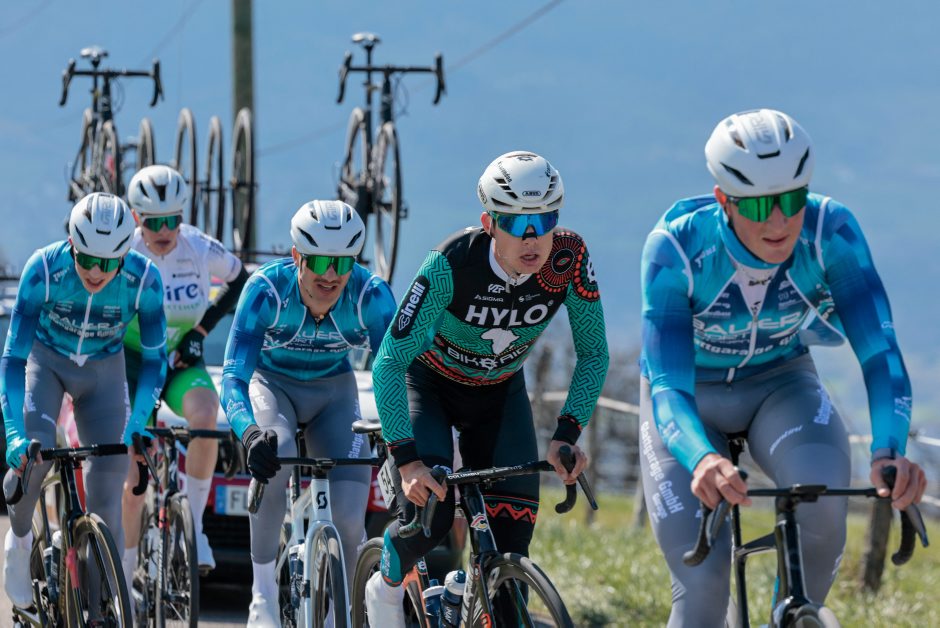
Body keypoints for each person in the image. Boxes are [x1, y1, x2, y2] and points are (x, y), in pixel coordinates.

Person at [639, 108, 928, 626]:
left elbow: (879, 352)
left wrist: (890, 449)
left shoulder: (830, 232)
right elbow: (667, 387)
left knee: (822, 518)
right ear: (723, 199)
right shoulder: (677, 248)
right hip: (689, 401)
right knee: (703, 585)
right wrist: (700, 457)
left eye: (792, 200)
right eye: (757, 205)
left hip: (781, 385)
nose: (778, 222)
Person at [365, 151, 609, 626]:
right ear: (489, 224)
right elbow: (390, 360)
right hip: (429, 387)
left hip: (498, 393)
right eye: (516, 223)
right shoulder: (451, 263)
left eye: (546, 219)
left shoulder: (569, 259)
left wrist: (566, 433)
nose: (533, 237)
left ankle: (473, 597)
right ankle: (386, 587)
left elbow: (594, 354)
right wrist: (408, 461)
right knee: (431, 520)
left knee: (511, 547)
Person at [221, 200, 397, 627]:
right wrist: (249, 433)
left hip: (333, 393)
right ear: (297, 256)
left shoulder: (371, 296)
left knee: (350, 521)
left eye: (343, 262)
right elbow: (233, 376)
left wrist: (402, 439)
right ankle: (262, 595)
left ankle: (340, 613)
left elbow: (396, 376)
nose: (331, 274)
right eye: (319, 261)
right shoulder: (266, 290)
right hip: (272, 386)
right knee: (277, 453)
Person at [1, 192, 167, 609]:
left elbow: (153, 361)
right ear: (72, 243)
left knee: (108, 493)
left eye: (110, 263)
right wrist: (14, 433)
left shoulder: (144, 281)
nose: (97, 271)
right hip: (46, 364)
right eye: (88, 259)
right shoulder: (43, 269)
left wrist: (138, 423)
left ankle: (98, 603)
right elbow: (13, 359)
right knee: (34, 461)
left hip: (103, 373)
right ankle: (19, 542)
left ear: (125, 255)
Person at [120, 165, 249, 589]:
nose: (164, 230)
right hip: (134, 362)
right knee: (135, 475)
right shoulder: (123, 250)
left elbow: (240, 281)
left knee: (206, 415)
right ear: (136, 218)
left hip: (178, 357)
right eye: (153, 222)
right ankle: (127, 570)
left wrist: (201, 332)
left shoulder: (197, 246)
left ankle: (193, 528)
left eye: (172, 219)